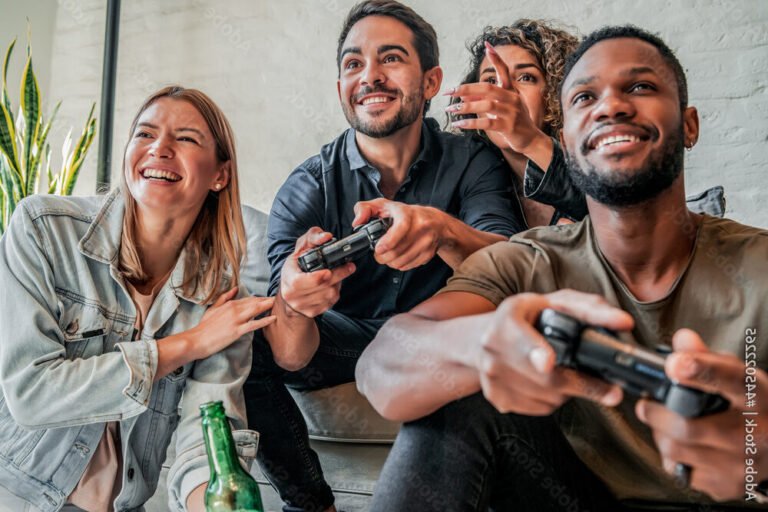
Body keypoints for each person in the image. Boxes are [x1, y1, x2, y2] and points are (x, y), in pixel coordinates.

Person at [358, 25, 768, 511]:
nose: (611, 105)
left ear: (690, 124)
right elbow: (380, 366)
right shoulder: (526, 261)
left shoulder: (757, 264)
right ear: (567, 140)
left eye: (639, 87)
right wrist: (482, 346)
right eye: (585, 97)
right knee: (459, 391)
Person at [241, 1, 537, 510]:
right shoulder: (307, 185)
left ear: (431, 81)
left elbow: (512, 268)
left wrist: (441, 230)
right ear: (340, 89)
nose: (370, 77)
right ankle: (311, 504)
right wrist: (296, 299)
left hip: (442, 335)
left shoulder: (473, 160)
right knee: (244, 342)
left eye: (391, 59)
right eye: (354, 64)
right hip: (345, 338)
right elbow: (291, 354)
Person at [0, 86, 275, 512]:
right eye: (145, 134)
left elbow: (208, 432)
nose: (160, 148)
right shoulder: (43, 230)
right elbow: (32, 393)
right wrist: (191, 343)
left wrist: (216, 500)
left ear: (220, 174)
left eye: (185, 138)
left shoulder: (222, 295)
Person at [446, 20, 585, 226]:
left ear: (556, 93)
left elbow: (620, 205)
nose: (504, 91)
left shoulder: (598, 158)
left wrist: (532, 141)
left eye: (526, 77)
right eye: (490, 81)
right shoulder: (470, 181)